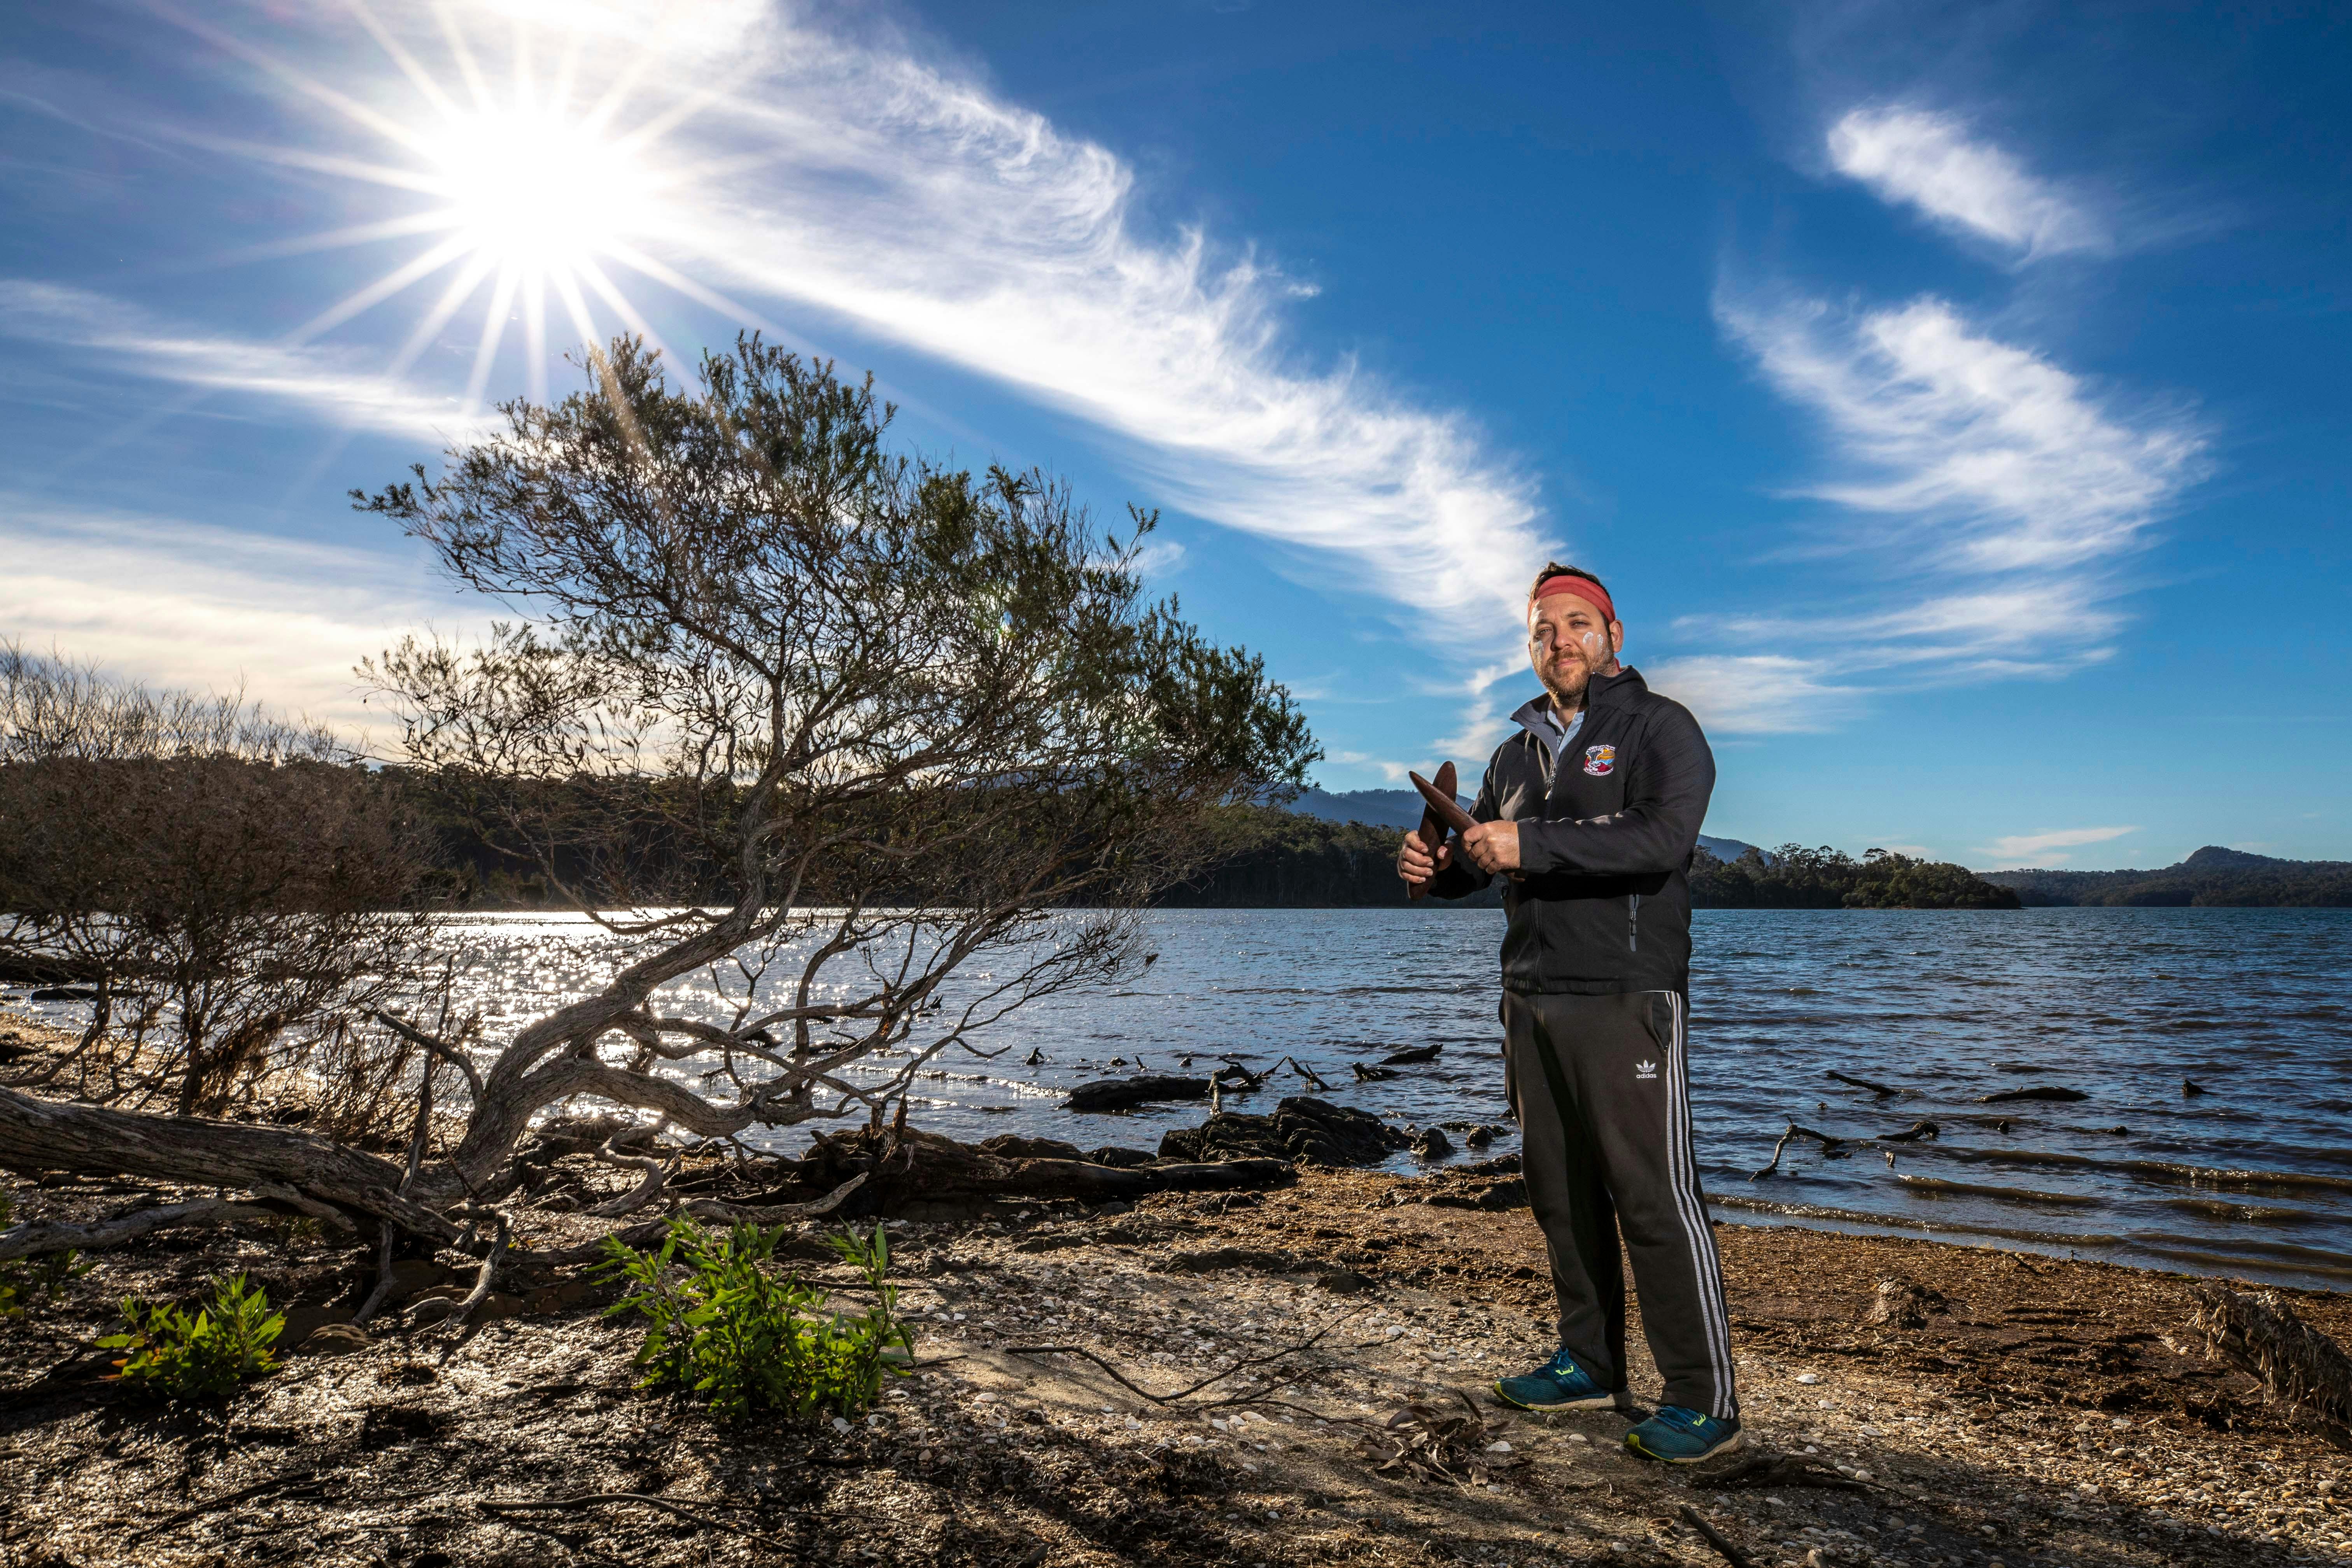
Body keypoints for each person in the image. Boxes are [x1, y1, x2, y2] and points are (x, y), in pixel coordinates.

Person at [1398, 562, 1740, 1463]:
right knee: (1560, 1193)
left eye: (1578, 622)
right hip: (1531, 995)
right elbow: (1484, 857)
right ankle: (1589, 1361)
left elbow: (1663, 839)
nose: (1561, 640)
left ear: (1613, 635)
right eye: (1544, 628)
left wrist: (1530, 841)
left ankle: (1703, 1397)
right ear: (1531, 647)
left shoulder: (1660, 728)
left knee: (1654, 1194)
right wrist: (1440, 872)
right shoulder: (1513, 754)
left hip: (1627, 991)